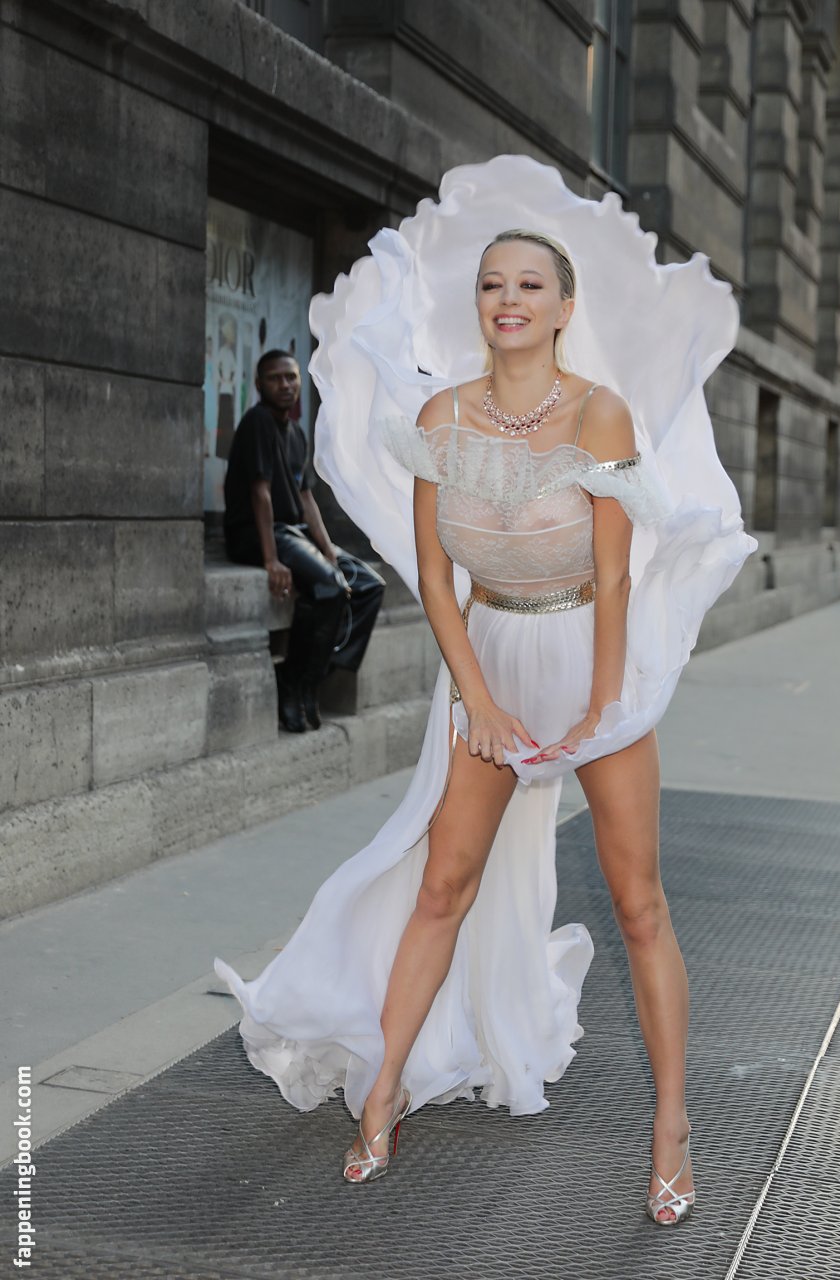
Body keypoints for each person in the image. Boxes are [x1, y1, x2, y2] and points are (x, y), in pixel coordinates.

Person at [215, 157, 756, 1224]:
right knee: (441, 884)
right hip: (488, 659)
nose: (507, 299)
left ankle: (670, 1126)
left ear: (562, 308)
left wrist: (602, 705)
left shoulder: (599, 417)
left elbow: (613, 575)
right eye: (491, 284)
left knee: (638, 901)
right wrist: (478, 701)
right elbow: (436, 581)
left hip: (590, 657)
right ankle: (381, 1095)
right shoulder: (439, 419)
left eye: (528, 285)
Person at [223, 350, 386, 732]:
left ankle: (313, 676)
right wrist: (270, 560)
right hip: (259, 534)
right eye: (275, 378)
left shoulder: (295, 432)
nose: (285, 385)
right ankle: (292, 683)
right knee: (331, 587)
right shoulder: (258, 422)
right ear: (259, 384)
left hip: (294, 533)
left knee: (367, 585)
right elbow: (261, 494)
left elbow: (306, 497)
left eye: (291, 377)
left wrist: (328, 550)